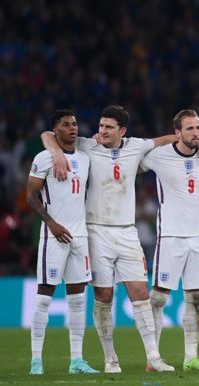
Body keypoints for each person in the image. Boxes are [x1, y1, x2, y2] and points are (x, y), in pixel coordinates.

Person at [42, 105, 199, 372]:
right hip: (97, 230)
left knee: (140, 293)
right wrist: (56, 152)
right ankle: (110, 359)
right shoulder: (87, 146)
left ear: (122, 131)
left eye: (108, 127)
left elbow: (170, 139)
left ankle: (153, 357)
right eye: (101, 125)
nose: (101, 131)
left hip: (127, 231)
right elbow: (48, 134)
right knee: (104, 296)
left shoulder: (137, 146)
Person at [141, 109, 199, 371]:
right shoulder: (159, 156)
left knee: (195, 297)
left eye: (198, 128)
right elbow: (133, 161)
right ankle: (153, 358)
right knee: (159, 298)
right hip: (170, 236)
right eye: (189, 128)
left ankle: (191, 358)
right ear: (177, 132)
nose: (196, 133)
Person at [27, 110, 98, 375]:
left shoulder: (85, 156)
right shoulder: (44, 158)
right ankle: (36, 361)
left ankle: (76, 361)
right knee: (44, 299)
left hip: (80, 237)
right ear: (55, 130)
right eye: (66, 125)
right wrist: (52, 223)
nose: (72, 128)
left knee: (78, 299)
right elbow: (31, 196)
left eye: (75, 124)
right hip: (53, 237)